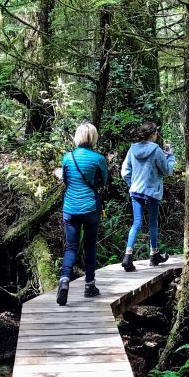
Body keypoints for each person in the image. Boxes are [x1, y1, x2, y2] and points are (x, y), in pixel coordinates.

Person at [56, 122, 109, 305]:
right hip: (90, 208)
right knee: (90, 247)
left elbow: (65, 180)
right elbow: (103, 182)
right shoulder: (98, 159)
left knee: (71, 247)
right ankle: (89, 285)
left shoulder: (67, 158)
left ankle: (64, 281)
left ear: (77, 137)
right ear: (93, 137)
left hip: (70, 208)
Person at [120, 121, 175, 271]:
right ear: (152, 134)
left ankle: (128, 256)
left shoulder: (133, 149)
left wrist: (132, 183)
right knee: (152, 224)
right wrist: (170, 157)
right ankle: (154, 254)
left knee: (136, 222)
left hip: (136, 190)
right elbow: (167, 170)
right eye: (156, 133)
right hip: (152, 192)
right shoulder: (156, 150)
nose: (157, 135)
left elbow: (125, 171)